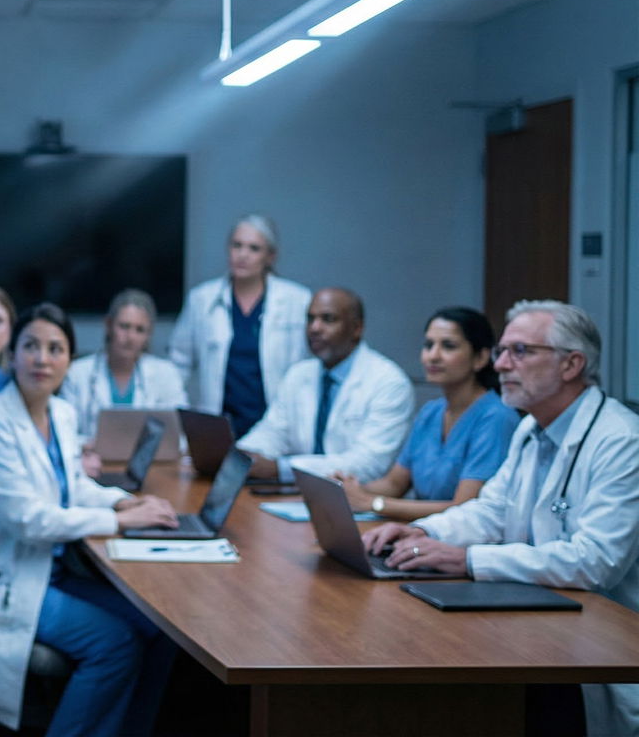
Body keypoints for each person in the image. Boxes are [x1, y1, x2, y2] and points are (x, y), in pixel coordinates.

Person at [364, 301, 639, 734]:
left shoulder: (621, 441)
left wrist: (470, 560)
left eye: (521, 351)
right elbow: (491, 511)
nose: (502, 364)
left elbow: (595, 561)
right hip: (540, 625)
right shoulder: (531, 427)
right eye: (501, 352)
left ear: (572, 364)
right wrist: (421, 530)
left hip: (605, 645)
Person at [0, 303, 179, 737]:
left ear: (68, 360)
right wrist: (119, 523)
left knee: (159, 631)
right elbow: (30, 520)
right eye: (32, 347)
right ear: (13, 354)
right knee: (115, 644)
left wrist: (122, 502)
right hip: (7, 579)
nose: (42, 359)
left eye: (55, 349)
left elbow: (73, 486)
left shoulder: (61, 414)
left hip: (53, 571)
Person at [337, 307, 518, 520]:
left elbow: (465, 508)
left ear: (480, 357)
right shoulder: (430, 412)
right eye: (429, 345)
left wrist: (373, 503)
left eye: (448, 346)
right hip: (421, 534)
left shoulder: (496, 417)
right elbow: (394, 483)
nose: (433, 356)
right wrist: (345, 490)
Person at [238, 287, 413, 483]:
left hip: (356, 504)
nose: (314, 328)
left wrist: (282, 469)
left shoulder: (389, 382)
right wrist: (242, 456)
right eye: (310, 319)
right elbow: (273, 432)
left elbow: (369, 464)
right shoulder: (299, 374)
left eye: (328, 319)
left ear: (357, 328)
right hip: (296, 495)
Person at [168, 213, 311, 438]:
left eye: (254, 248)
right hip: (219, 426)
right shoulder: (202, 299)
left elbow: (308, 370)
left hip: (276, 428)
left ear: (270, 256)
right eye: (237, 245)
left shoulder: (297, 300)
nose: (243, 255)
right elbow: (178, 365)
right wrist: (184, 420)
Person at [61, 288, 189, 443]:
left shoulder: (166, 374)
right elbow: (63, 432)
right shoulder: (77, 373)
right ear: (108, 325)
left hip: (152, 465)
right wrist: (85, 445)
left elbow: (180, 435)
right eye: (124, 326)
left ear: (148, 335)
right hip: (91, 463)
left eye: (140, 330)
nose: (130, 337)